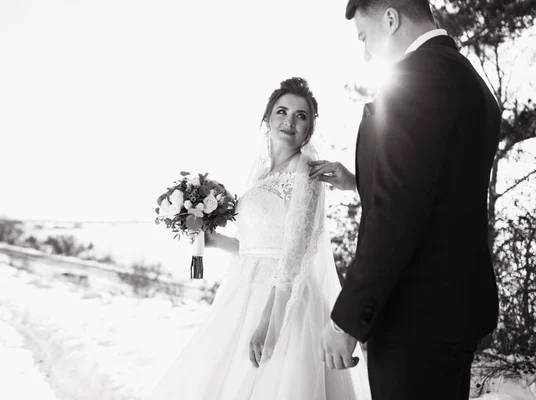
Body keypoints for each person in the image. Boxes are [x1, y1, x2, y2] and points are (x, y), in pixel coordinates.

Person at [312, 1, 501, 399]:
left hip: (412, 318)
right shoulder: (470, 80)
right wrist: (363, 181)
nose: (365, 52)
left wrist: (346, 322)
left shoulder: (414, 79)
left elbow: (396, 214)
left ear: (391, 18)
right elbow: (437, 190)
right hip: (454, 311)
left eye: (365, 37)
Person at [148, 77, 370, 400]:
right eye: (282, 111)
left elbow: (296, 248)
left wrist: (271, 317)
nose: (289, 121)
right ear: (267, 119)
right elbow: (255, 247)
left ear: (309, 130)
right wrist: (212, 240)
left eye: (301, 116)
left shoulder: (305, 169)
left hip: (282, 300)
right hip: (243, 293)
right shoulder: (262, 174)